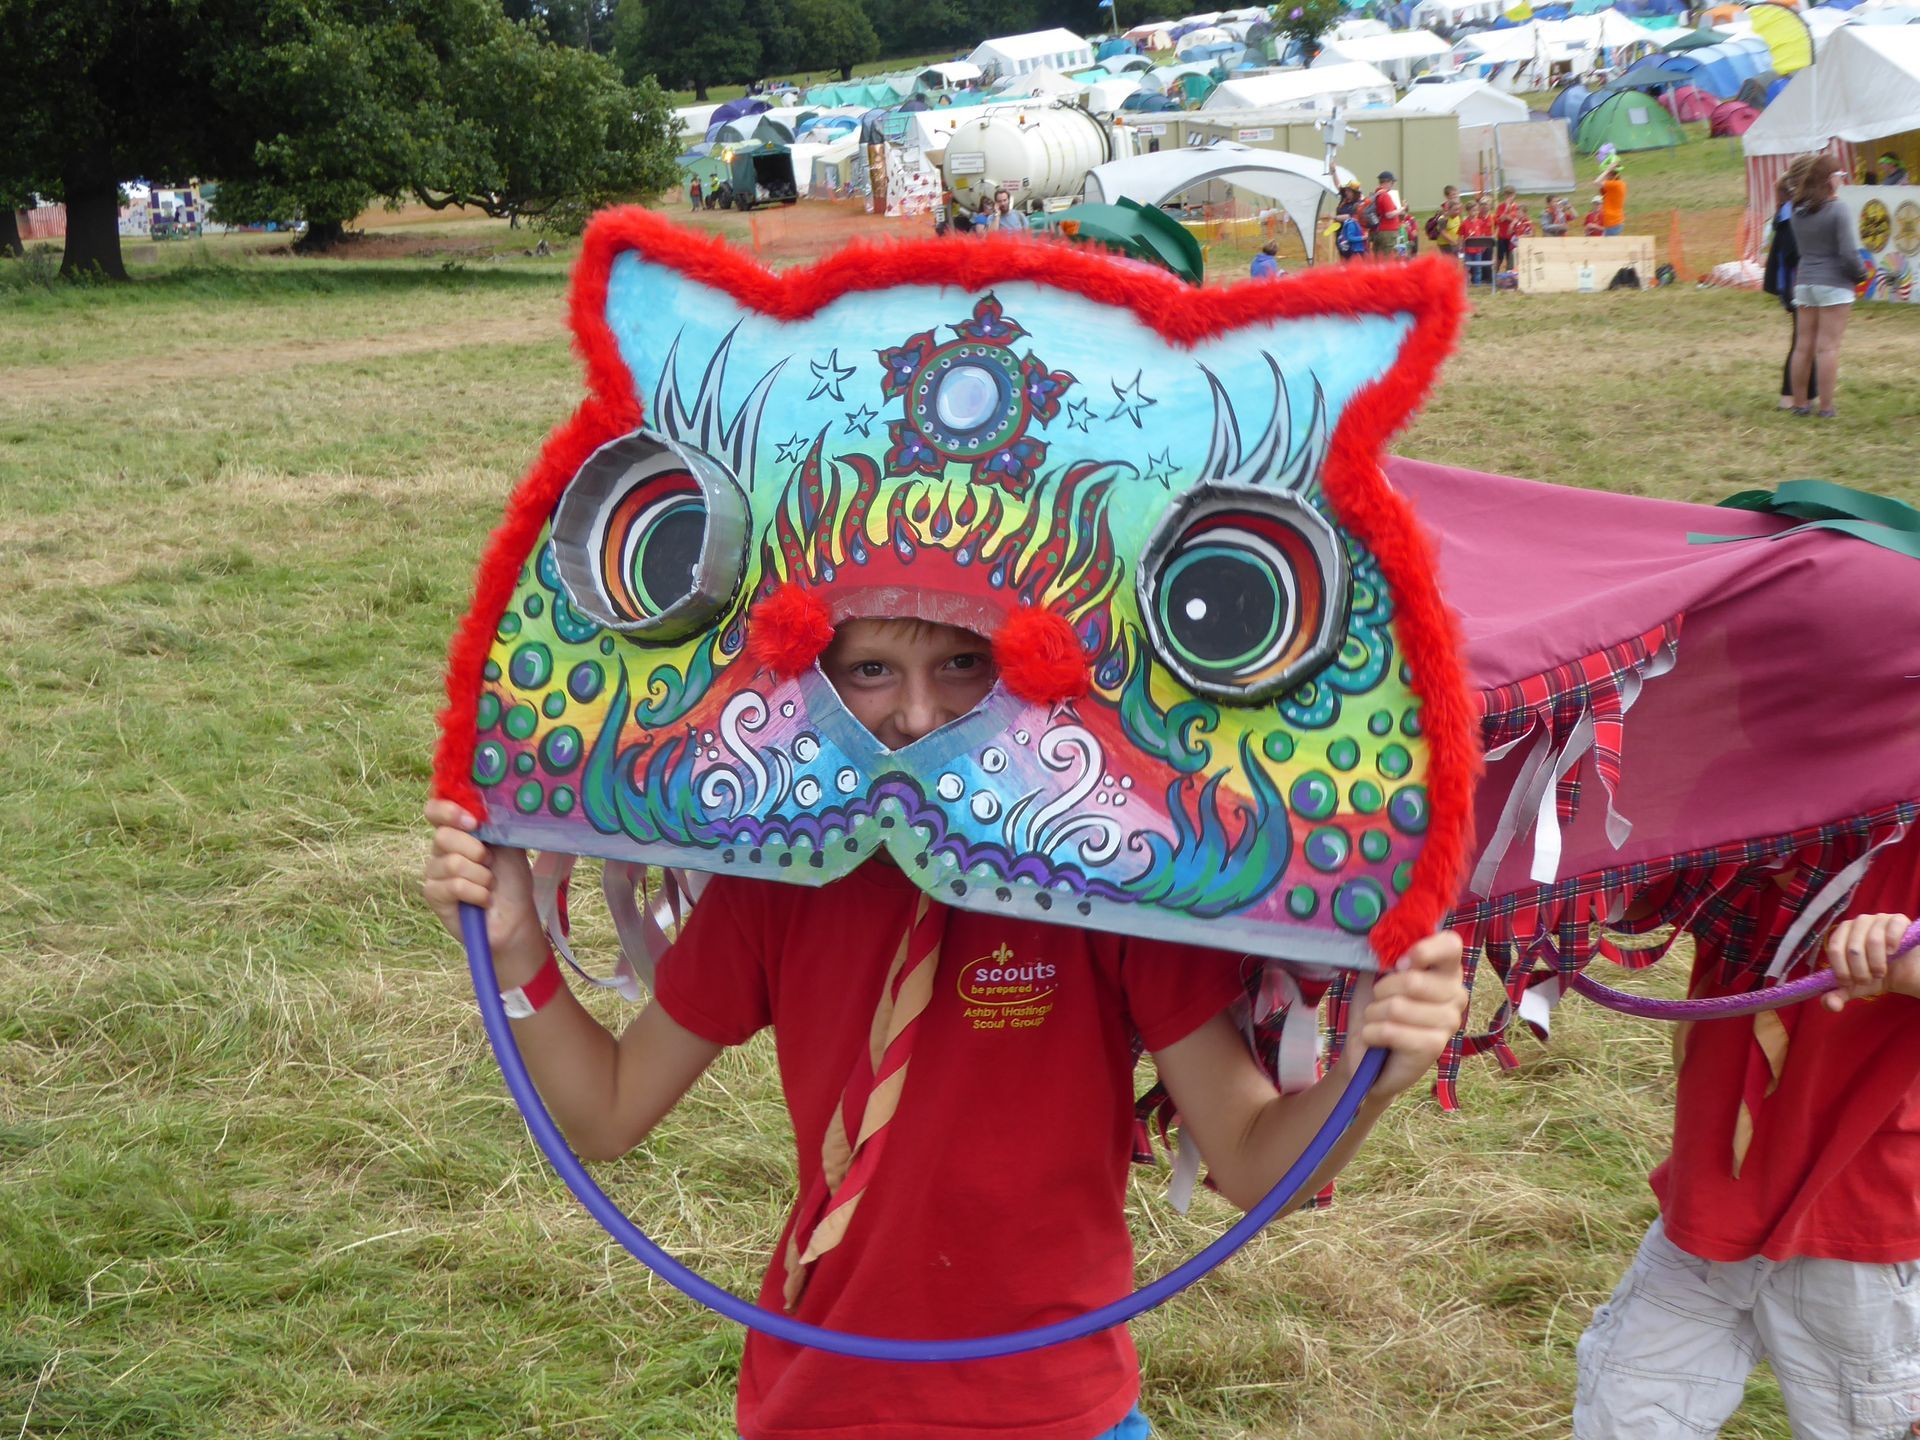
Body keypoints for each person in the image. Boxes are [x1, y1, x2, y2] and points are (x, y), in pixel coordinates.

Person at [424, 615, 1472, 1440]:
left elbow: (1250, 1161)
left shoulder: (1116, 886)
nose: (917, 716)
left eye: (965, 663)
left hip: (1058, 1409)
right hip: (819, 1404)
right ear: (809, 679)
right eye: (870, 671)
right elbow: (605, 1114)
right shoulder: (778, 887)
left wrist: (1367, 1079)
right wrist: (518, 954)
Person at [1574, 829, 1920, 1440]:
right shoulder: (1744, 801)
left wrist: (1910, 966)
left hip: (1858, 1223)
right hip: (1711, 1200)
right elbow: (1629, 888)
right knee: (1622, 1414)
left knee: (1863, 1425)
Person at [1786, 158, 1867, 418]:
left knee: (1803, 346)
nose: (1841, 179)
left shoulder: (1798, 209)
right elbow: (1847, 252)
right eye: (1839, 174)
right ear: (1829, 178)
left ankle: (1800, 403)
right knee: (1828, 348)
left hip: (1805, 282)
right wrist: (1860, 275)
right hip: (1834, 284)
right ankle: (1826, 407)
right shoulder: (1838, 209)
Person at [1761, 159, 1815, 411]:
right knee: (1802, 342)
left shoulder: (1788, 211)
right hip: (1796, 284)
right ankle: (1789, 396)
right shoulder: (1793, 214)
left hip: (1794, 284)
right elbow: (1793, 254)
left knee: (1806, 341)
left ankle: (1805, 394)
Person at [1367, 170, 1407, 258]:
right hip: (1388, 232)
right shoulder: (1385, 196)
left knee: (1378, 258)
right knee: (1387, 258)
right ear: (1387, 182)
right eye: (1392, 182)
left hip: (1377, 230)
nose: (1392, 185)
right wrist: (1401, 209)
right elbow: (1389, 214)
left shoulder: (1376, 194)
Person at [1493, 186, 1526, 269]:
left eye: (1510, 195)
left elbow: (1516, 219)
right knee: (1499, 257)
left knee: (1510, 257)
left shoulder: (1517, 207)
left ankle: (1510, 274)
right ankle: (1494, 274)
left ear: (1514, 195)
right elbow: (1499, 219)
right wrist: (1506, 209)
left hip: (1512, 237)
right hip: (1501, 236)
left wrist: (1507, 217)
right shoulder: (1501, 206)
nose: (1509, 197)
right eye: (1507, 195)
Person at [1598, 160, 1627, 236]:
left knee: (1608, 247)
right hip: (1614, 221)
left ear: (1610, 175)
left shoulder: (1614, 184)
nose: (1605, 176)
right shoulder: (1618, 184)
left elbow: (1596, 182)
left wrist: (1608, 169)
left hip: (1612, 222)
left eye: (1606, 175)